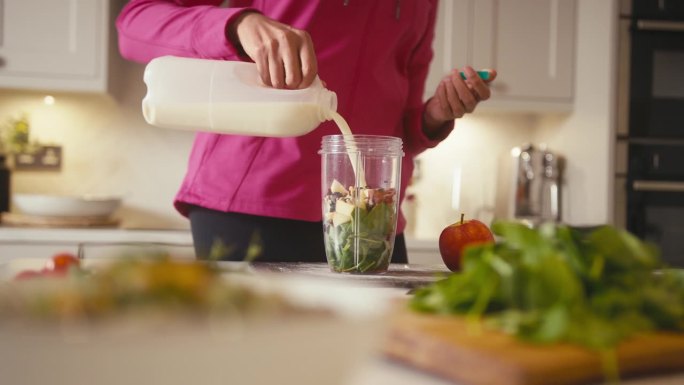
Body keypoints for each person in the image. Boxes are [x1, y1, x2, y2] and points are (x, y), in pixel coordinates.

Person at [116, 0, 497, 263]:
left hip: (368, 222)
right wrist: (239, 24)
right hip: (251, 204)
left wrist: (436, 114)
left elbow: (401, 135)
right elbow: (135, 25)